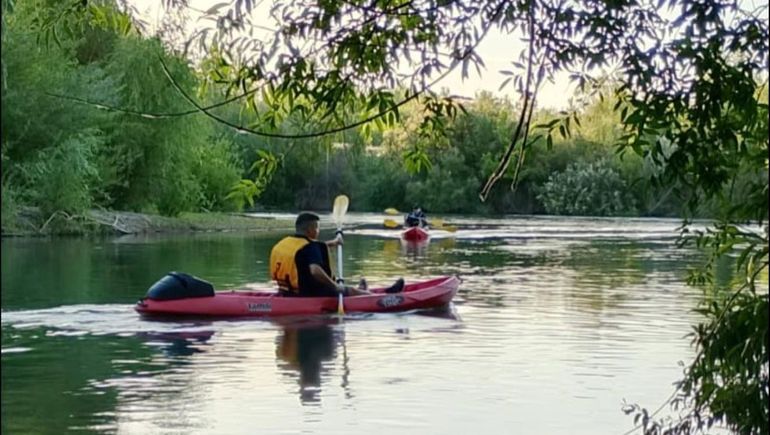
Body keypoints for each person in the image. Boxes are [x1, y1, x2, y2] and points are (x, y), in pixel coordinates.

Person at [270, 212, 404, 297]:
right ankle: (384, 297)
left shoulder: (287, 243)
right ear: (310, 229)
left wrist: (334, 242)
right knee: (346, 290)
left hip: (288, 292)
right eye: (317, 227)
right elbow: (315, 270)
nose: (318, 230)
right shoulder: (310, 247)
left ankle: (363, 291)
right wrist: (334, 286)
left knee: (347, 289)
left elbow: (306, 252)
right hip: (310, 294)